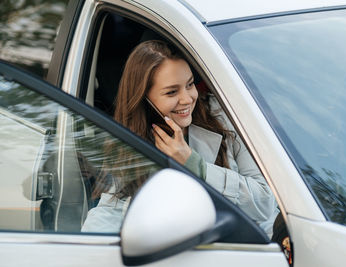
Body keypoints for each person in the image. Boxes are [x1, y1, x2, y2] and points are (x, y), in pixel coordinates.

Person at [82, 40, 279, 237]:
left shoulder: (224, 115)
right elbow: (111, 211)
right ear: (145, 98)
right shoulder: (135, 142)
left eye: (190, 84)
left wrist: (195, 165)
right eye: (171, 92)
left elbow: (265, 203)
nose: (187, 99)